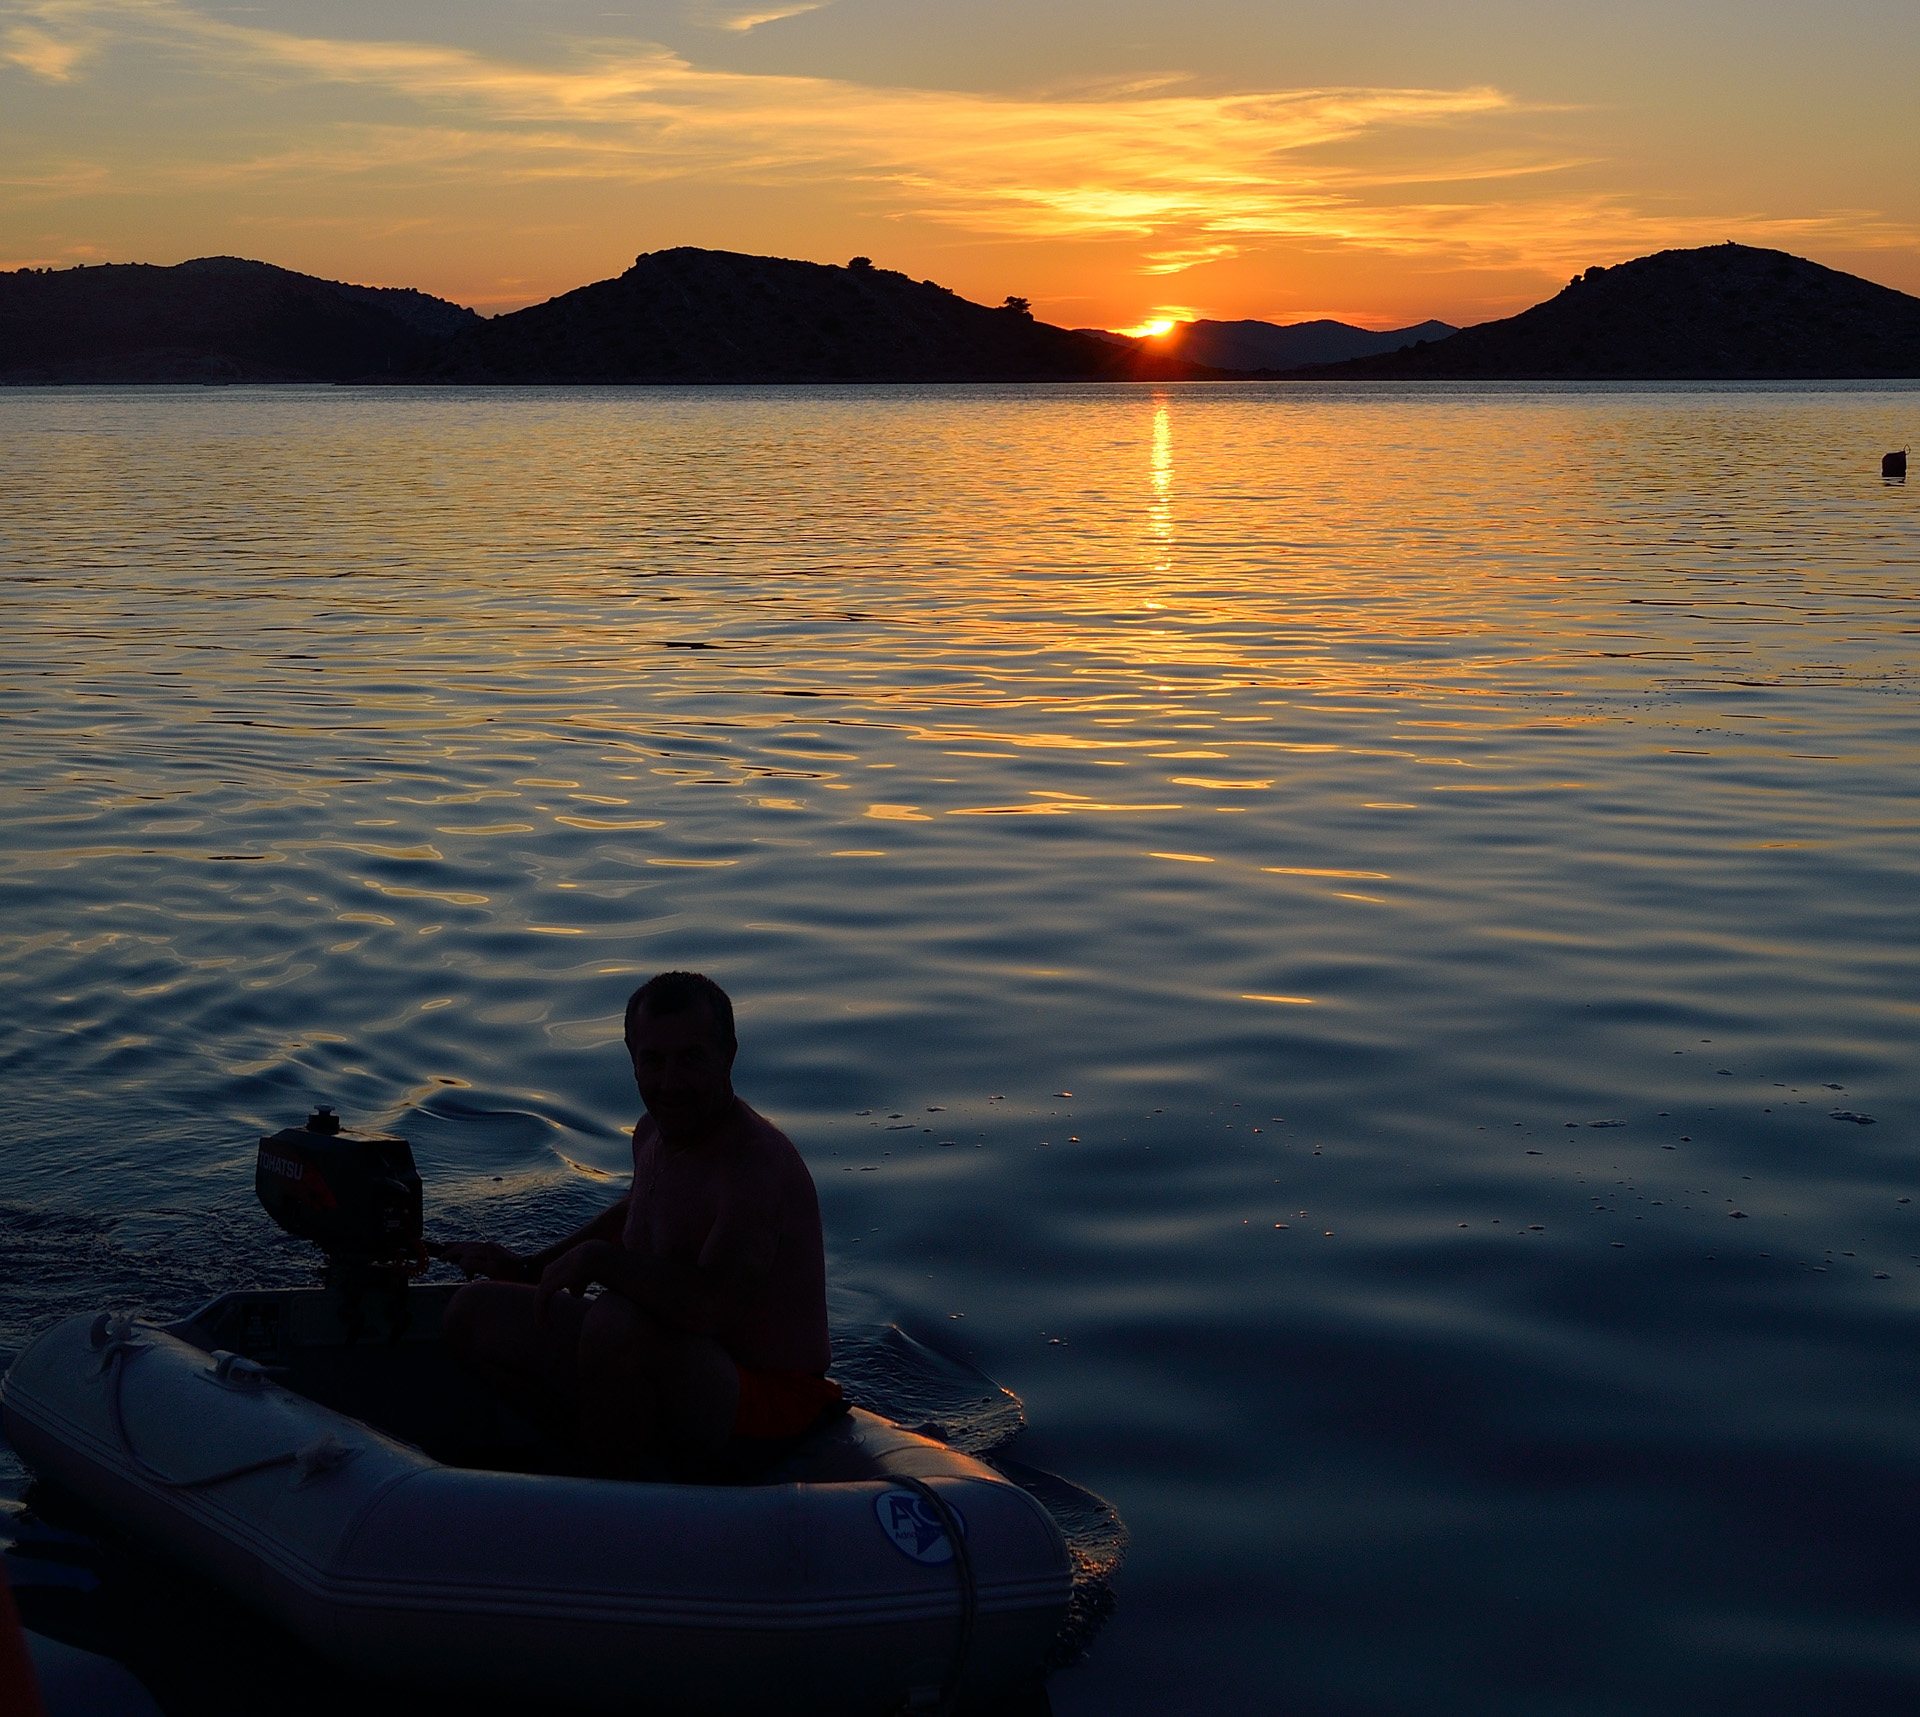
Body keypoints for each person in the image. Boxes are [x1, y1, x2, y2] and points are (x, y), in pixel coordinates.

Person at [439, 971, 839, 1479]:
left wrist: (600, 1263)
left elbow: (713, 1308)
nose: (669, 1084)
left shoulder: (753, 1167)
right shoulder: (654, 1131)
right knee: (472, 1313)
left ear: (728, 1054)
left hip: (768, 1401)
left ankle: (609, 1500)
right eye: (653, 1061)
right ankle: (584, 1457)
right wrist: (525, 1267)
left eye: (690, 1058)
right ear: (632, 1062)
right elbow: (635, 1214)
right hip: (678, 1367)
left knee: (615, 1323)